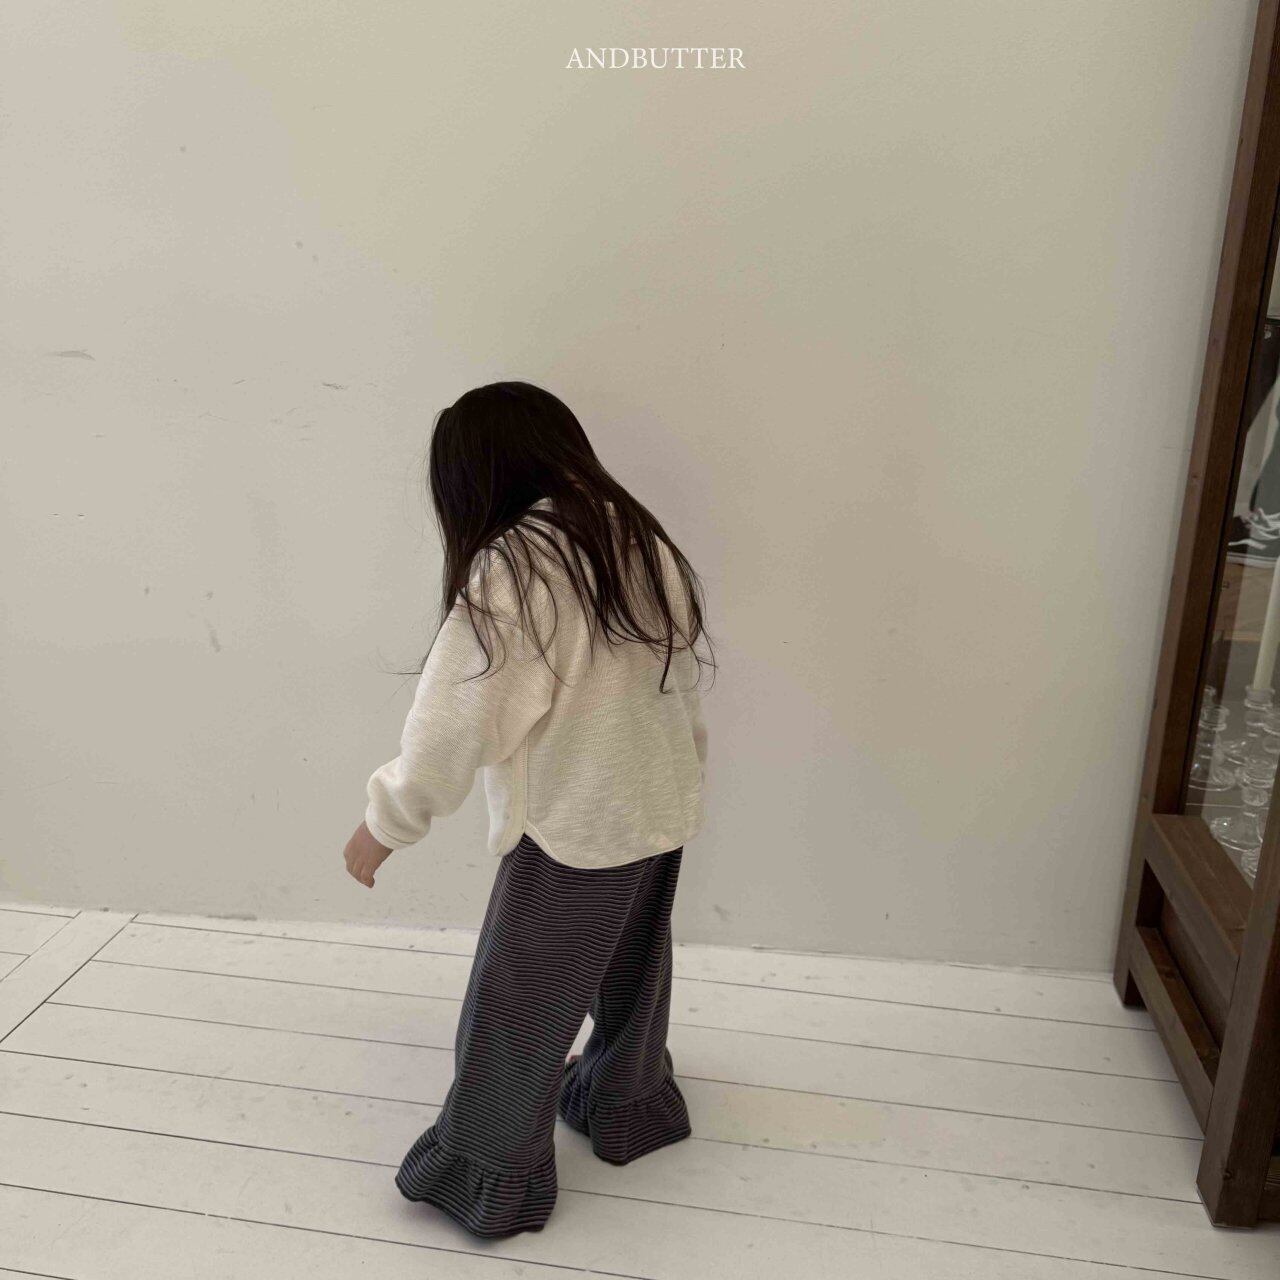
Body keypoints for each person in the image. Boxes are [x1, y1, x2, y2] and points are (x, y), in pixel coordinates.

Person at [342, 381, 713, 1238]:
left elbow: (455, 721)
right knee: (634, 971)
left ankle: (490, 1171)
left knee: (519, 1002)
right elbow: (680, 677)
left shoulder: (519, 564)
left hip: (573, 825)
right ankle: (628, 1104)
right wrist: (687, 773)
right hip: (657, 805)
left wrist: (387, 822)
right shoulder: (636, 537)